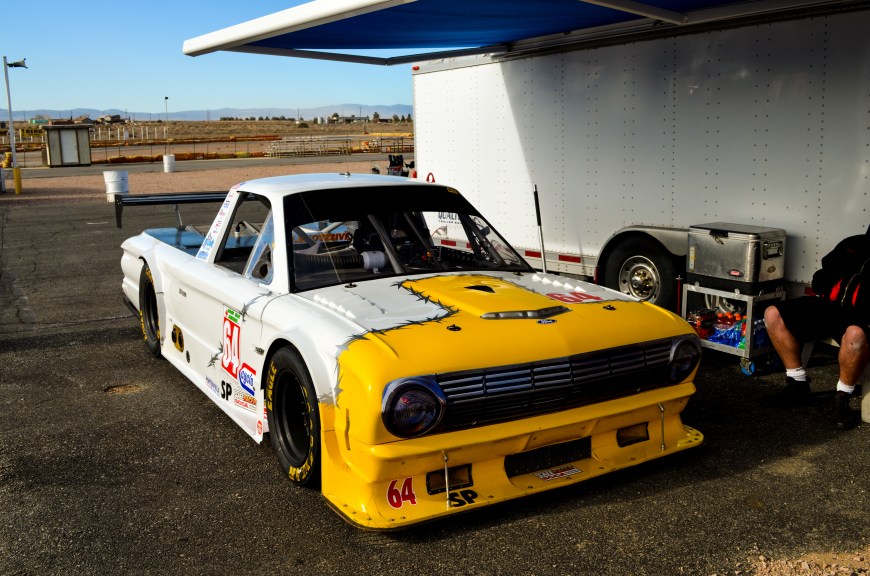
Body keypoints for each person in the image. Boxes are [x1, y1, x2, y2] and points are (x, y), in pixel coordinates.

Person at [763, 227, 870, 429]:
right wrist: (824, 282)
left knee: (855, 334)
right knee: (773, 314)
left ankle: (842, 397)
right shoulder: (852, 244)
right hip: (829, 305)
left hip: (861, 317)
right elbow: (824, 271)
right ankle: (797, 383)